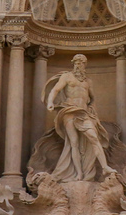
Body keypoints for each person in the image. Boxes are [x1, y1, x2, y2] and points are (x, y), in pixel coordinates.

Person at [44, 54, 115, 182]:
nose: (78, 65)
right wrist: (50, 102)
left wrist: (92, 110)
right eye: (76, 63)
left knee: (94, 137)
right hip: (69, 111)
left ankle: (105, 167)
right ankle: (79, 173)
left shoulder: (88, 81)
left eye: (81, 63)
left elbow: (92, 98)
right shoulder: (67, 77)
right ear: (73, 64)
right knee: (74, 143)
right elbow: (55, 90)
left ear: (85, 65)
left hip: (83, 113)